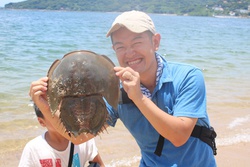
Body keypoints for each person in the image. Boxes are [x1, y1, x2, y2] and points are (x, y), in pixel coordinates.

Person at [29, 10, 217, 166]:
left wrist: (138, 98)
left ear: (155, 42)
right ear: (113, 50)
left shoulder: (188, 76)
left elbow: (179, 136)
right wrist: (45, 105)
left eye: (136, 43)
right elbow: (79, 137)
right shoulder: (114, 91)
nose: (129, 53)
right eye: (120, 47)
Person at [18, 103, 104, 167]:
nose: (59, 117)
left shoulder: (82, 139)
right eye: (53, 114)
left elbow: (99, 164)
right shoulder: (33, 148)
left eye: (63, 111)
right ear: (41, 122)